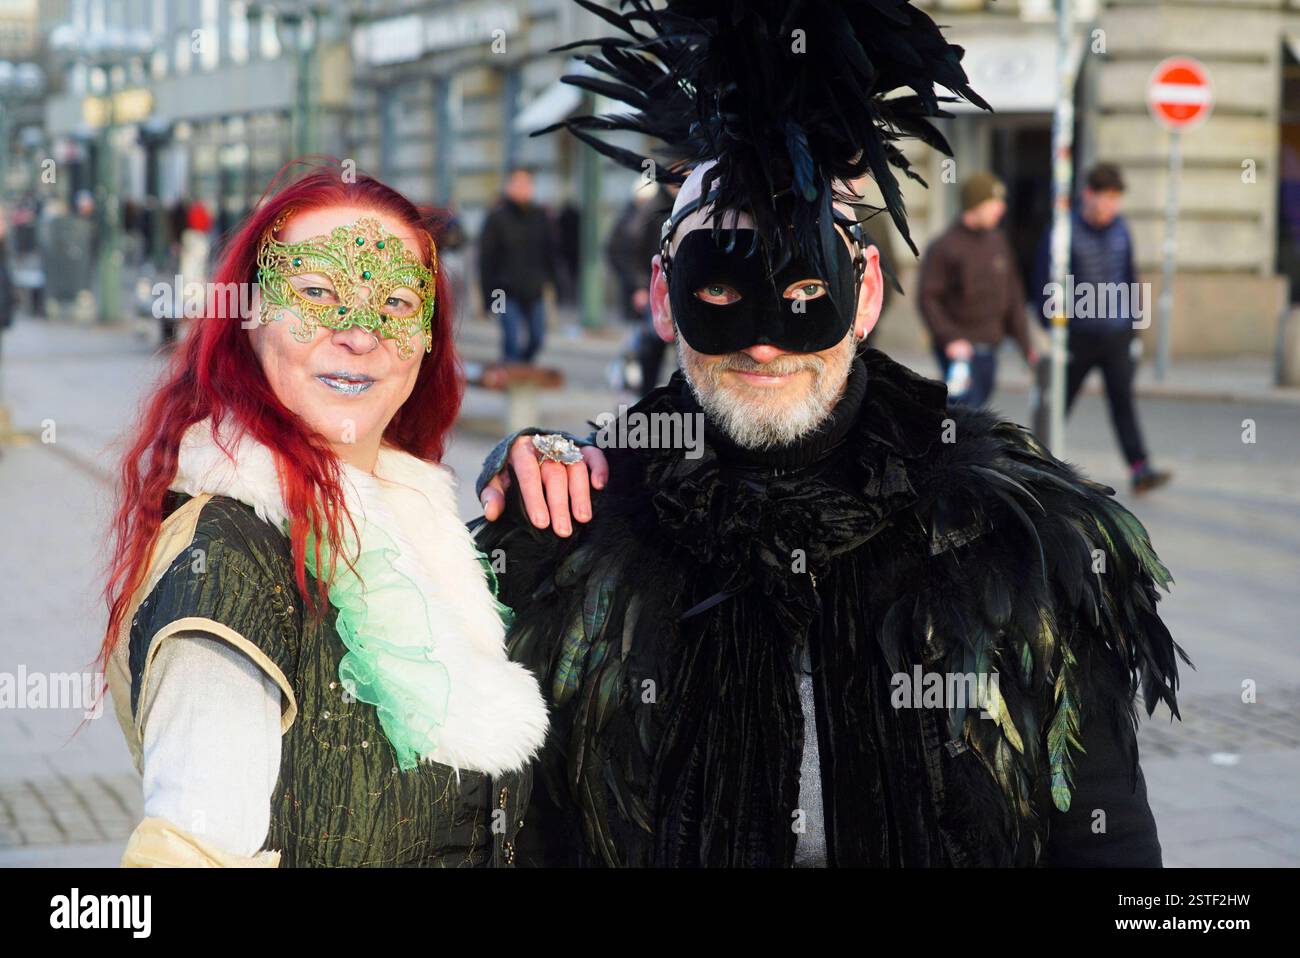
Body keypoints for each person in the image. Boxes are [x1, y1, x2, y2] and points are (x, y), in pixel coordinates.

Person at [474, 0, 1186, 868]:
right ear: (664, 296)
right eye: (723, 289)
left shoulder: (1013, 532)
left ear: (868, 293)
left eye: (807, 289)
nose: (765, 338)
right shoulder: (571, 530)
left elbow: (1105, 844)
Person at [101, 166, 599, 867]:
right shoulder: (230, 566)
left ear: (427, 336)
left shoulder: (413, 524)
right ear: (251, 315)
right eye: (316, 293)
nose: (358, 334)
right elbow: (189, 849)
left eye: (394, 302)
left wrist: (550, 462)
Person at [1032, 163, 1172, 494]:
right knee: (1056, 404)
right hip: (1076, 336)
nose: (1110, 206)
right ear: (1088, 195)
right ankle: (1032, 465)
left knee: (1122, 402)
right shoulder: (1063, 232)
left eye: (1116, 199)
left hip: (1116, 335)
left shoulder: (1122, 230)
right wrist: (1051, 328)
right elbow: (1041, 282)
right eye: (1105, 198)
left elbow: (1129, 278)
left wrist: (1135, 331)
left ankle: (1140, 469)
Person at [919, 171, 1037, 406]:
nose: (1001, 208)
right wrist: (950, 339)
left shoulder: (998, 241)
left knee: (976, 414)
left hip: (990, 350)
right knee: (964, 415)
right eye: (994, 202)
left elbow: (1013, 297)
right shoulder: (945, 246)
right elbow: (928, 298)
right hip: (960, 352)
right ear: (975, 204)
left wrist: (1027, 347)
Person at [477, 168, 557, 363]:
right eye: (518, 184)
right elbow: (485, 260)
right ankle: (513, 374)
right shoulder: (496, 218)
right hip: (503, 291)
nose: (523, 189)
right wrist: (489, 299)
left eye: (527, 184)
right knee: (511, 338)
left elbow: (550, 252)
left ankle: (521, 367)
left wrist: (552, 282)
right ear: (509, 187)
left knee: (538, 338)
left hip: (533, 289)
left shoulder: (540, 216)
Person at [608, 182, 678, 393]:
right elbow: (623, 252)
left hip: (672, 290)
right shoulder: (647, 211)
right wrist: (638, 287)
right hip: (653, 291)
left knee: (681, 355)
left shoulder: (686, 205)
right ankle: (645, 396)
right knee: (651, 348)